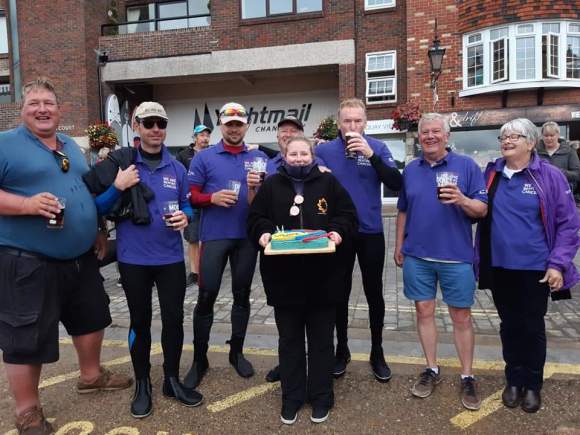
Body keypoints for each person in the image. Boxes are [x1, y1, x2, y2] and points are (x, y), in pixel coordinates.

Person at [0, 78, 132, 435]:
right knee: (26, 337)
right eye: (34, 103)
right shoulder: (5, 144)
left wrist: (97, 229)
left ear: (60, 110)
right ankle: (27, 411)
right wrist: (26, 205)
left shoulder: (70, 146)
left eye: (48, 103)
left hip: (80, 256)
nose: (42, 109)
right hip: (28, 259)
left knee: (92, 317)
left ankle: (91, 376)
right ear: (22, 109)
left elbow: (85, 192)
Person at [86, 102, 204, 418]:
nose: (155, 129)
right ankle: (142, 383)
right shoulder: (123, 165)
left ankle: (171, 380)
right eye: (149, 123)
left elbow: (187, 206)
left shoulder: (177, 168)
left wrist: (185, 217)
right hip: (133, 259)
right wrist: (117, 186)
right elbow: (97, 206)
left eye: (160, 124)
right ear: (136, 126)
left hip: (169, 259)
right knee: (140, 321)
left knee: (174, 320)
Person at [247, 136, 357, 424]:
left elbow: (347, 215)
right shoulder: (272, 185)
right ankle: (292, 398)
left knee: (322, 342)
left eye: (303, 154)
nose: (298, 158)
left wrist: (337, 231)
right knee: (290, 341)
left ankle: (322, 397)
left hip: (324, 278)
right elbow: (256, 217)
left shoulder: (329, 182)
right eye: (293, 154)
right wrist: (264, 232)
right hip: (284, 279)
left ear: (312, 156)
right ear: (284, 157)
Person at [476, 118, 579, 413]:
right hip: (499, 266)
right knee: (509, 326)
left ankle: (533, 384)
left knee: (532, 327)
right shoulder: (491, 173)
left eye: (515, 136)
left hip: (535, 268)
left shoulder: (549, 176)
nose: (507, 141)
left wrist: (557, 264)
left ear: (531, 143)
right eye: (503, 137)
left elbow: (568, 224)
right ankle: (514, 379)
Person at [394, 113, 487, 411]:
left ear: (447, 136)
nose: (430, 136)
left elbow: (482, 210)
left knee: (461, 316)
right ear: (419, 137)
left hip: (455, 256)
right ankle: (431, 368)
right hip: (417, 255)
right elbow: (403, 210)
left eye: (436, 131)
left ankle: (467, 375)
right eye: (425, 132)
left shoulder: (467, 166)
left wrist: (461, 199)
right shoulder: (411, 169)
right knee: (423, 311)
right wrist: (398, 245)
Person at [315, 98, 402, 382]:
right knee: (338, 293)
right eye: (347, 121)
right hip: (338, 233)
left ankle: (377, 351)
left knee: (374, 292)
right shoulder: (324, 150)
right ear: (339, 123)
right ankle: (342, 349)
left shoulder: (378, 147)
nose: (352, 126)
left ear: (365, 122)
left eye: (357, 120)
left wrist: (371, 155)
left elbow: (396, 183)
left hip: (370, 231)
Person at [184, 102, 269, 388]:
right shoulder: (204, 157)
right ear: (221, 125)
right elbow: (190, 196)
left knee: (242, 295)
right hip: (215, 236)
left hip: (246, 238)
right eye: (229, 124)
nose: (234, 129)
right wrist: (212, 198)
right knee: (206, 296)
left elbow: (269, 198)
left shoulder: (258, 157)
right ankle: (200, 359)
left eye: (239, 124)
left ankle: (236, 352)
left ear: (246, 126)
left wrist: (258, 188)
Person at [177, 124, 212, 287]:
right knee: (193, 238)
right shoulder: (183, 155)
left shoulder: (213, 153)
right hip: (191, 203)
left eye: (207, 135)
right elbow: (179, 177)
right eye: (202, 135)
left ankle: (207, 268)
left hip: (210, 201)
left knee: (209, 238)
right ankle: (194, 272)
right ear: (195, 137)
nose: (205, 138)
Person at [537, 121, 580, 197]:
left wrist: (559, 172)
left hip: (563, 194)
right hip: (541, 194)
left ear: (558, 135)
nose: (549, 138)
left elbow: (577, 174)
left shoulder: (569, 151)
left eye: (552, 135)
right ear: (542, 136)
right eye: (546, 135)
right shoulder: (536, 152)